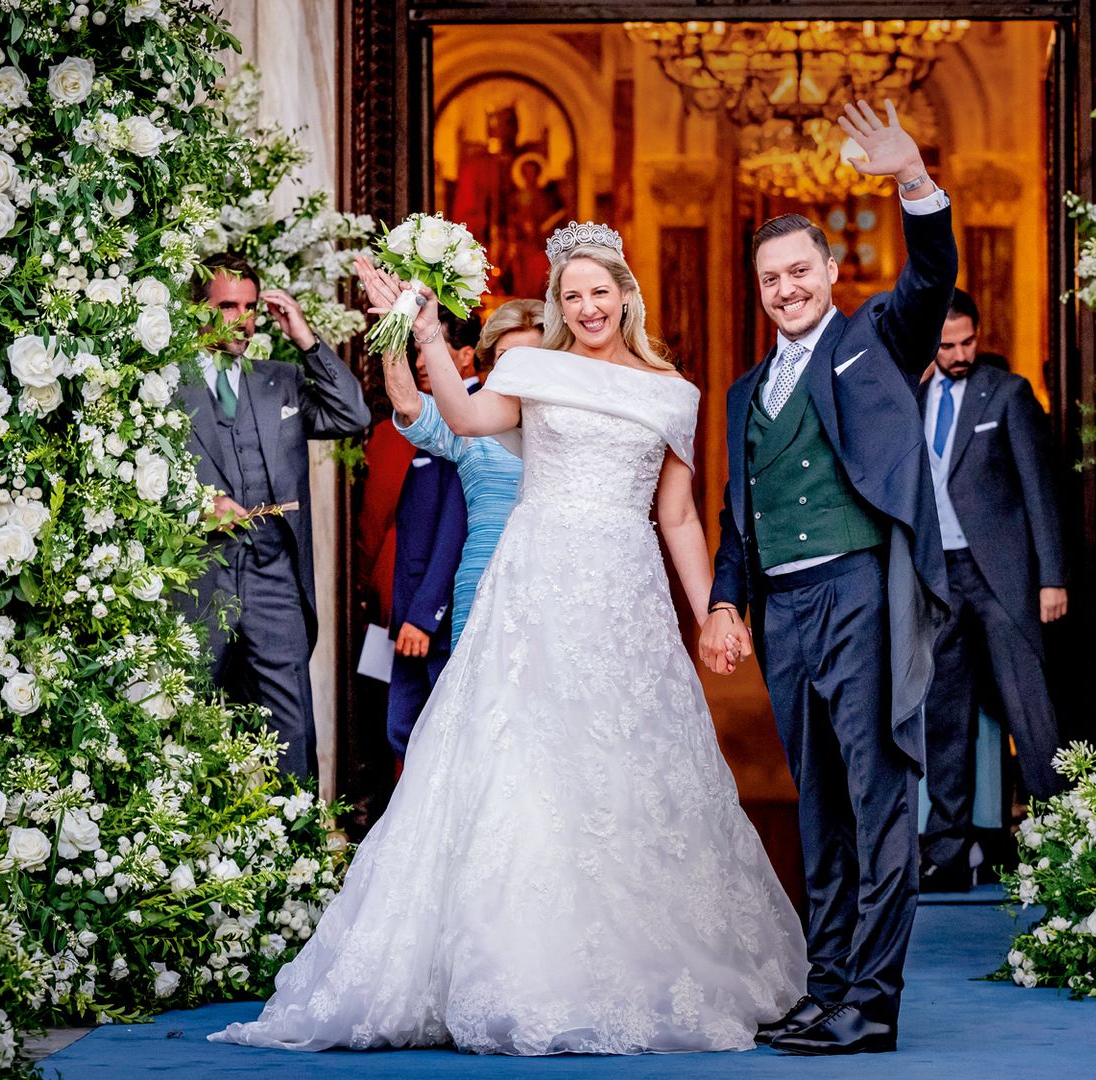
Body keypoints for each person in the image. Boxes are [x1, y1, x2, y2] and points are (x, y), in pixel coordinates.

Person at [209, 223, 804, 1055]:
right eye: (573, 294)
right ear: (558, 305)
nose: (589, 306)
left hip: (623, 593)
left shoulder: (674, 392)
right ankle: (512, 962)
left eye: (602, 291)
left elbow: (675, 515)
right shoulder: (531, 370)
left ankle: (639, 961)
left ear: (627, 295)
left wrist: (714, 611)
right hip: (535, 584)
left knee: (627, 765)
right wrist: (416, 329)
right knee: (521, 758)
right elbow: (454, 412)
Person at [699, 100, 957, 1056]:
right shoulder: (741, 393)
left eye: (800, 271)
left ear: (830, 273)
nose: (786, 289)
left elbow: (932, 276)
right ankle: (829, 982)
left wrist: (913, 181)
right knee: (818, 800)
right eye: (771, 278)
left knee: (874, 794)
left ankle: (874, 1004)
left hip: (859, 590)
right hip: (787, 610)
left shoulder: (876, 340)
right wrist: (727, 599)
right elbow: (739, 515)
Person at [182, 253, 370, 779]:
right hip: (198, 575)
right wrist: (197, 504)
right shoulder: (164, 384)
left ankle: (299, 850)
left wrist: (306, 341)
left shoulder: (280, 380)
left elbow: (351, 415)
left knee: (291, 729)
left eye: (249, 307)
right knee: (184, 720)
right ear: (199, 310)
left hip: (274, 576)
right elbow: (129, 474)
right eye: (226, 306)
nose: (242, 319)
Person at [915, 289, 1068, 893]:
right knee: (944, 718)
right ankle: (948, 856)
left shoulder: (1006, 394)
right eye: (947, 345)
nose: (958, 354)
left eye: (967, 342)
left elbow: (1040, 490)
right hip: (938, 578)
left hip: (1001, 579)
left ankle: (1064, 841)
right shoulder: (914, 397)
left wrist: (1051, 578)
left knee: (1028, 713)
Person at [390, 307, 527, 649]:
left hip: (548, 591)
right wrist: (396, 320)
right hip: (476, 591)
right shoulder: (471, 424)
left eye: (535, 357)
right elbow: (408, 404)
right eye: (509, 359)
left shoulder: (577, 431)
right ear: (492, 365)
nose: (526, 370)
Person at [379, 311, 480, 768]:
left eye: (429, 349)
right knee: (407, 735)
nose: (421, 361)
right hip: (412, 616)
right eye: (417, 350)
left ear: (466, 355)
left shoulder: (473, 419)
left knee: (435, 744)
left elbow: (456, 528)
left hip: (437, 620)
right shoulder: (435, 410)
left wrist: (425, 615)